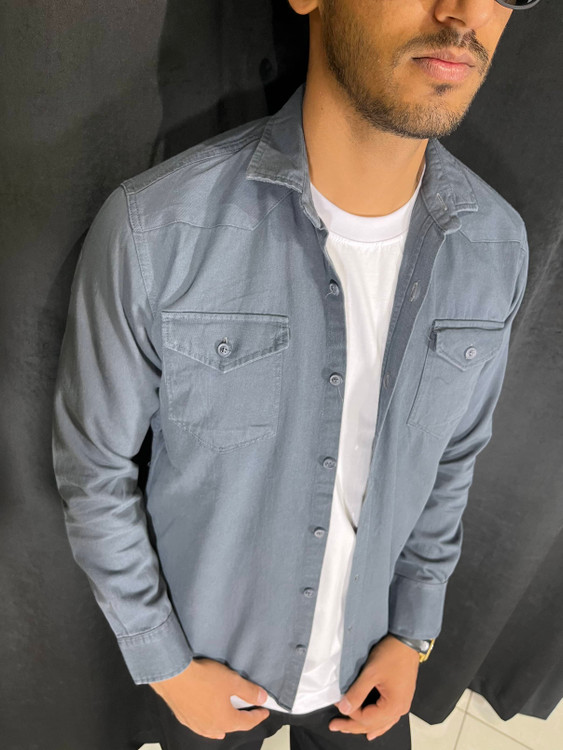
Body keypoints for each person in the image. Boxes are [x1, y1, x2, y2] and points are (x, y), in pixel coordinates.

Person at [51, 0, 537, 748]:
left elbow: (452, 459)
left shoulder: (496, 247)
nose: (464, 12)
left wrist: (411, 632)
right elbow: (93, 468)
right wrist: (165, 664)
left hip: (369, 669)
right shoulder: (158, 231)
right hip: (211, 667)